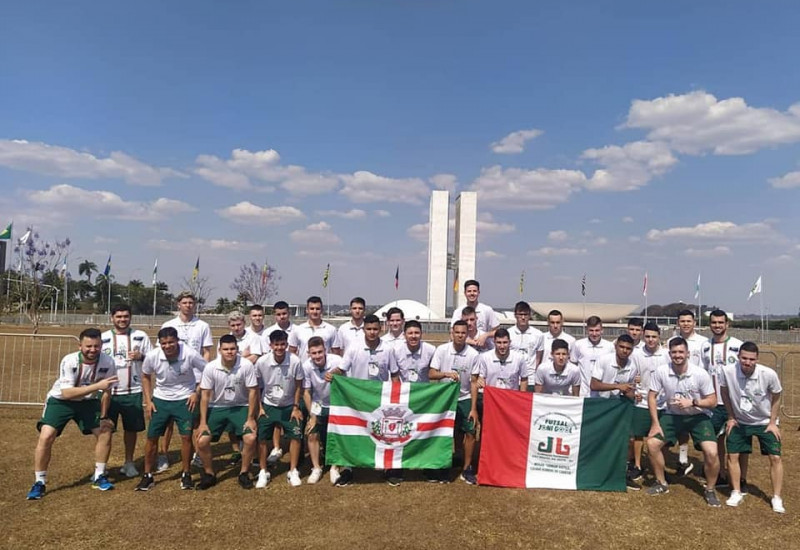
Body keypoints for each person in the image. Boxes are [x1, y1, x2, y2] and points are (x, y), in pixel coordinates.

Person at [26, 328, 119, 500]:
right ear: (80, 346)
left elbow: (107, 391)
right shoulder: (69, 360)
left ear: (101, 345)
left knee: (105, 431)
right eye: (88, 346)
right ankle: (39, 482)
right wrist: (96, 386)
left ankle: (99, 475)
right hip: (61, 400)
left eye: (96, 346)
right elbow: (68, 393)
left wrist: (105, 416)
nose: (92, 350)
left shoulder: (108, 362)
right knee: (46, 436)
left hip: (88, 402)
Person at [646, 337, 721, 507]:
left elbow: (712, 401)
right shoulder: (661, 371)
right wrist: (655, 423)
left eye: (681, 352)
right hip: (672, 415)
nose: (677, 355)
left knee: (712, 452)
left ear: (687, 353)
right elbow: (651, 396)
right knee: (652, 444)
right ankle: (661, 483)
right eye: (674, 352)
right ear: (669, 353)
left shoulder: (700, 373)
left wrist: (693, 402)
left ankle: (710, 489)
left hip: (697, 417)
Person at [135, 327, 206, 491]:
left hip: (185, 400)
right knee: (152, 437)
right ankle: (147, 475)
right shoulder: (153, 356)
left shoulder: (190, 353)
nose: (168, 346)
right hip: (160, 400)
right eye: (164, 343)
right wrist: (148, 401)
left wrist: (196, 392)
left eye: (171, 342)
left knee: (186, 437)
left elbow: (208, 371)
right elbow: (145, 376)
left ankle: (186, 474)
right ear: (159, 343)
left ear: (177, 341)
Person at [334, 314, 399, 486]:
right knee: (353, 432)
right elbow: (342, 369)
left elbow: (394, 374)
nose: (372, 332)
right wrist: (331, 374)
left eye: (375, 329)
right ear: (363, 329)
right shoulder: (354, 348)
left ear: (380, 329)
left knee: (384, 432)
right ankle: (348, 469)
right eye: (368, 329)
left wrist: (397, 396)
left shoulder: (388, 349)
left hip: (381, 399)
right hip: (356, 400)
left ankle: (388, 468)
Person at [720, 342, 784, 513]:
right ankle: (736, 491)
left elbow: (777, 395)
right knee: (732, 456)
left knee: (775, 458)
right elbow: (724, 391)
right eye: (744, 358)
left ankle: (777, 497)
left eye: (751, 359)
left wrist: (772, 422)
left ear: (757, 359)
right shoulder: (727, 371)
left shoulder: (768, 374)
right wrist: (731, 416)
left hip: (764, 422)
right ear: (738, 357)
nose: (747, 362)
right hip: (740, 421)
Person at [195, 334, 259, 490]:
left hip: (240, 406)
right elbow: (204, 395)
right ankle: (209, 473)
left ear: (237, 350)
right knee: (202, 440)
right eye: (226, 349)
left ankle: (244, 472)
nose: (229, 352)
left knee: (250, 437)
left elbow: (252, 391)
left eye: (232, 349)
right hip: (217, 407)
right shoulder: (211, 367)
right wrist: (203, 423)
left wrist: (251, 418)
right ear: (219, 350)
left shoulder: (246, 365)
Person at [159, 291, 213, 472]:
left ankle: (197, 454)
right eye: (184, 302)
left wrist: (202, 373)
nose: (188, 305)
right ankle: (163, 455)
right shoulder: (168, 324)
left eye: (191, 302)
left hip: (194, 381)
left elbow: (206, 351)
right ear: (178, 304)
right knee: (167, 423)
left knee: (195, 420)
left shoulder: (202, 325)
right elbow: (163, 349)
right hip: (172, 378)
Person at [101, 304, 152, 478]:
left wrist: (141, 356)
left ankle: (129, 462)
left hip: (133, 391)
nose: (122, 319)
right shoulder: (103, 338)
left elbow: (152, 360)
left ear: (130, 317)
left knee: (131, 430)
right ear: (112, 318)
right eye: (119, 316)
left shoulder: (140, 336)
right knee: (104, 429)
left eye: (125, 316)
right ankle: (102, 466)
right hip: (109, 394)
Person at [429, 320, 480, 485]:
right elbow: (431, 373)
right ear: (452, 332)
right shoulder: (442, 350)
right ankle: (444, 466)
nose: (460, 335)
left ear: (467, 334)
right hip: (446, 398)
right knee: (444, 433)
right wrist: (445, 374)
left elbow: (474, 382)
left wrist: (473, 408)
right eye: (457, 332)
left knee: (470, 432)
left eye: (463, 333)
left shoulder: (473, 354)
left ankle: (467, 468)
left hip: (464, 398)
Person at [254, 330, 305, 488]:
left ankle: (293, 470)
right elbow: (255, 386)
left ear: (287, 344)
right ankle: (263, 471)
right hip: (268, 405)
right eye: (276, 344)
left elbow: (298, 386)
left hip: (289, 406)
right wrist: (260, 407)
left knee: (296, 436)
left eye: (283, 344)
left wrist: (296, 407)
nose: (280, 347)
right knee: (261, 439)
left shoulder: (295, 361)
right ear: (270, 345)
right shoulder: (262, 362)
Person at [589, 334, 638, 489]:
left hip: (618, 406)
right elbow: (594, 385)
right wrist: (617, 387)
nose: (624, 351)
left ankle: (622, 473)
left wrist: (634, 395)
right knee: (598, 439)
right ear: (616, 346)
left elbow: (628, 391)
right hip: (600, 405)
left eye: (628, 349)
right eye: (622, 347)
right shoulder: (604, 360)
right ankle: (594, 470)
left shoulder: (632, 366)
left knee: (626, 440)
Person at [700, 309, 743, 485]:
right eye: (714, 322)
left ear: (727, 324)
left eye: (720, 322)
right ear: (710, 324)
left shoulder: (738, 345)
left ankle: (739, 478)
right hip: (712, 402)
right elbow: (702, 373)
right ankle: (719, 473)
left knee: (736, 441)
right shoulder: (705, 346)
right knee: (715, 439)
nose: (717, 326)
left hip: (733, 402)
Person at [667, 309, 707, 475]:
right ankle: (683, 460)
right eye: (682, 321)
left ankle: (708, 466)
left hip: (698, 390)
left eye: (688, 321)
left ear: (694, 322)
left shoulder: (704, 342)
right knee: (682, 426)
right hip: (678, 388)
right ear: (678, 323)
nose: (685, 324)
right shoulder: (671, 341)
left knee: (702, 428)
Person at [628, 322, 668, 482]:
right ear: (643, 336)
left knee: (661, 437)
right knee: (638, 435)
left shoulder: (666, 354)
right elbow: (632, 374)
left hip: (662, 402)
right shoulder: (636, 354)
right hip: (642, 400)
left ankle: (660, 468)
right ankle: (637, 465)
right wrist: (634, 389)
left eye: (654, 337)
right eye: (648, 337)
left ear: (659, 337)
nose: (651, 340)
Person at [302, 336, 344, 485]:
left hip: (336, 403)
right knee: (312, 433)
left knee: (336, 435)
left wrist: (338, 373)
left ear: (325, 350)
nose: (317, 356)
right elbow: (306, 392)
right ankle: (316, 467)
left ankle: (334, 467)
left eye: (320, 352)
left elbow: (347, 381)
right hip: (318, 404)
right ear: (309, 353)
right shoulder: (306, 366)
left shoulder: (338, 361)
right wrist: (312, 415)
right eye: (314, 353)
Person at [572, 316, 615, 396]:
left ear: (602, 330)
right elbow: (573, 366)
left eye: (597, 330)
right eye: (591, 330)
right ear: (586, 330)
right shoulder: (578, 345)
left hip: (603, 394)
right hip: (583, 393)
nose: (594, 334)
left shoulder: (610, 346)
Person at [450, 279, 500, 348]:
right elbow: (453, 335)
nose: (472, 294)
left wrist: (485, 335)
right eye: (469, 291)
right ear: (465, 293)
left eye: (474, 291)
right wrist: (473, 342)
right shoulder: (458, 311)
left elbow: (497, 331)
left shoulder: (487, 310)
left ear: (479, 293)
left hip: (483, 348)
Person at [288, 296, 338, 363]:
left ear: (322, 310)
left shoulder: (331, 329)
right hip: (304, 370)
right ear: (307, 310)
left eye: (317, 309)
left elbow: (336, 353)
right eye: (312, 309)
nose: (315, 311)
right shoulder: (298, 329)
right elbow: (292, 351)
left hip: (325, 370)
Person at [508, 301, 544, 389]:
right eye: (520, 314)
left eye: (526, 314)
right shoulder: (509, 333)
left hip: (530, 379)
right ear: (515, 315)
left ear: (529, 315)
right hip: (512, 378)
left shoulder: (538, 334)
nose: (523, 317)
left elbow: (538, 359)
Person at [388, 320, 436, 384]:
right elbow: (394, 375)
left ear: (421, 334)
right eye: (410, 333)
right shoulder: (396, 351)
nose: (413, 336)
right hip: (404, 390)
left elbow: (434, 373)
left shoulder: (431, 350)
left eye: (417, 333)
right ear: (404, 335)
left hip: (423, 390)